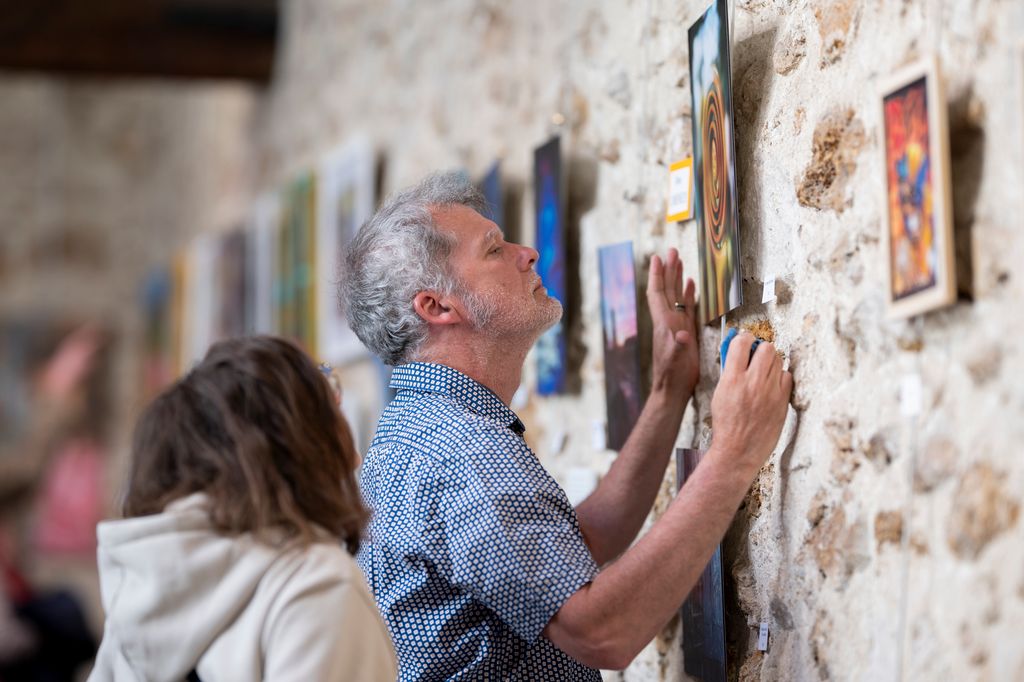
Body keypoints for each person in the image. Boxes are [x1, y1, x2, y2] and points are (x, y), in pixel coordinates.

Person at [342, 172, 793, 680]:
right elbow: (601, 631)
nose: (527, 252)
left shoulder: (417, 430)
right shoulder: (459, 449)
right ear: (438, 306)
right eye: (494, 250)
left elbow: (575, 548)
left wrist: (668, 393)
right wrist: (734, 454)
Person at [87, 336, 397, 682]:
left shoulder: (147, 578)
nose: (355, 457)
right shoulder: (318, 585)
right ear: (297, 446)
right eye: (329, 409)